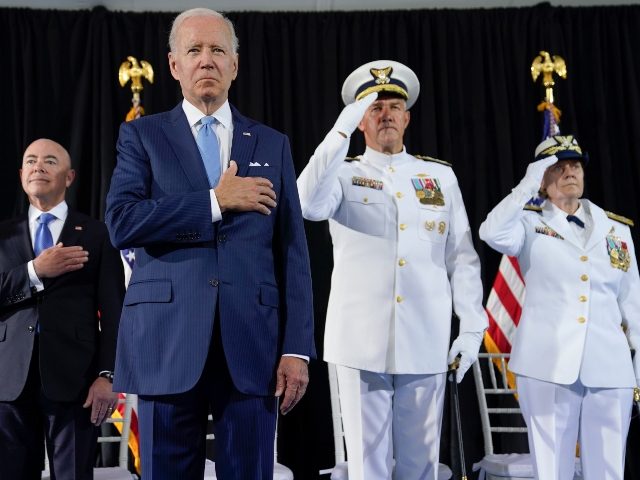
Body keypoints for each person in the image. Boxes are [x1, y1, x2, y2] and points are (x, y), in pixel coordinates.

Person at [104, 8, 315, 480]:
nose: (206, 60)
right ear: (175, 65)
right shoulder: (141, 135)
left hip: (252, 345)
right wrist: (214, 202)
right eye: (194, 50)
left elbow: (293, 253)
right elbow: (121, 222)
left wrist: (297, 349)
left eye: (218, 50)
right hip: (167, 341)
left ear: (235, 65)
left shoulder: (270, 143)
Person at [297, 60, 487, 480]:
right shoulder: (343, 174)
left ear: (407, 117)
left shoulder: (439, 177)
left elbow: (462, 257)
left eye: (393, 106)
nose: (385, 114)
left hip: (426, 337)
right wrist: (339, 131)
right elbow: (306, 204)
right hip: (360, 340)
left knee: (422, 466)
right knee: (368, 466)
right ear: (361, 119)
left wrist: (472, 328)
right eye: (374, 106)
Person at [479, 135, 640, 480]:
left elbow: (633, 302)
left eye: (576, 166)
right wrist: (526, 185)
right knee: (552, 471)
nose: (570, 172)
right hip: (546, 366)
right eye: (559, 167)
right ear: (543, 177)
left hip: (609, 366)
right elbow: (490, 232)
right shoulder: (526, 222)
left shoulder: (616, 229)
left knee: (610, 471)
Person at [0, 138, 124, 480]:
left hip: (77, 381)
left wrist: (108, 376)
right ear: (21, 173)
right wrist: (35, 272)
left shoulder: (98, 234)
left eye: (50, 161)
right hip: (9, 382)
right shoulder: (3, 235)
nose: (39, 166)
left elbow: (115, 314)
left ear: (69, 177)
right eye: (31, 160)